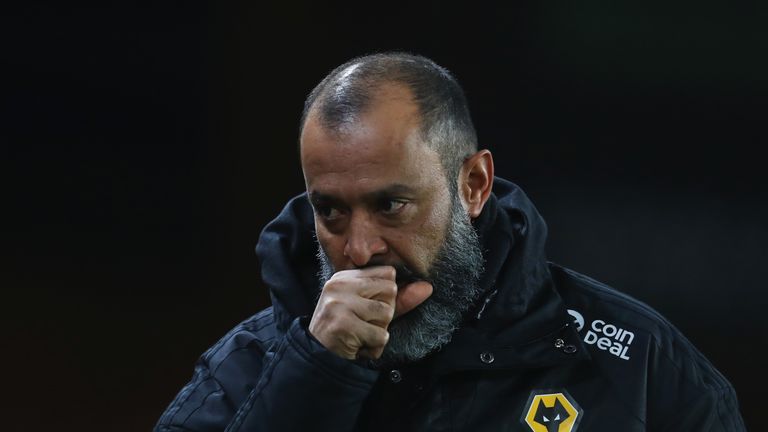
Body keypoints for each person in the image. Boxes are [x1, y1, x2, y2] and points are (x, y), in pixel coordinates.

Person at [155, 52, 746, 432]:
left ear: (472, 185)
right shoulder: (249, 368)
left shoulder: (643, 371)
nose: (359, 250)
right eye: (330, 211)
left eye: (391, 205)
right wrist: (316, 378)